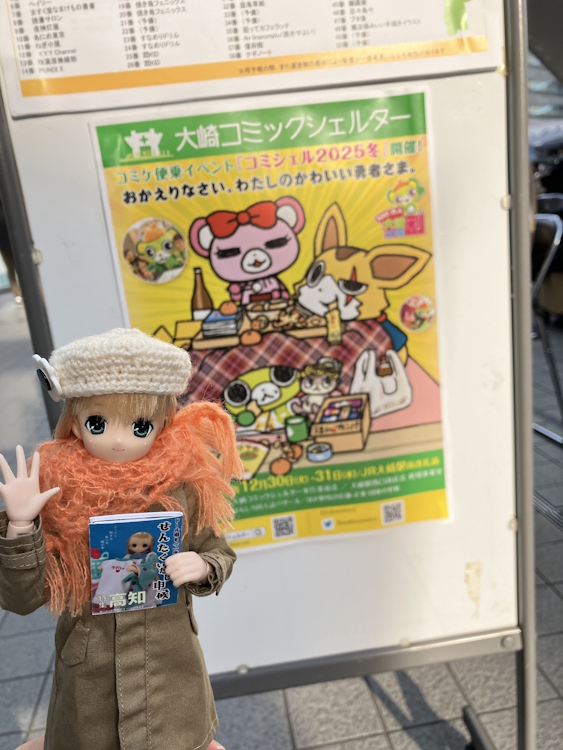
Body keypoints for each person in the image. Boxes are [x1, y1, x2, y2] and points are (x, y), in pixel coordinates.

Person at [0, 328, 243, 750]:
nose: (117, 439)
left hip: (169, 676)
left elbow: (218, 550)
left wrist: (204, 566)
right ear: (75, 422)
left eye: (139, 425)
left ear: (162, 423)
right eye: (97, 422)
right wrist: (22, 527)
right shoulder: (57, 492)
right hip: (91, 686)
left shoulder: (182, 486)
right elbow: (23, 599)